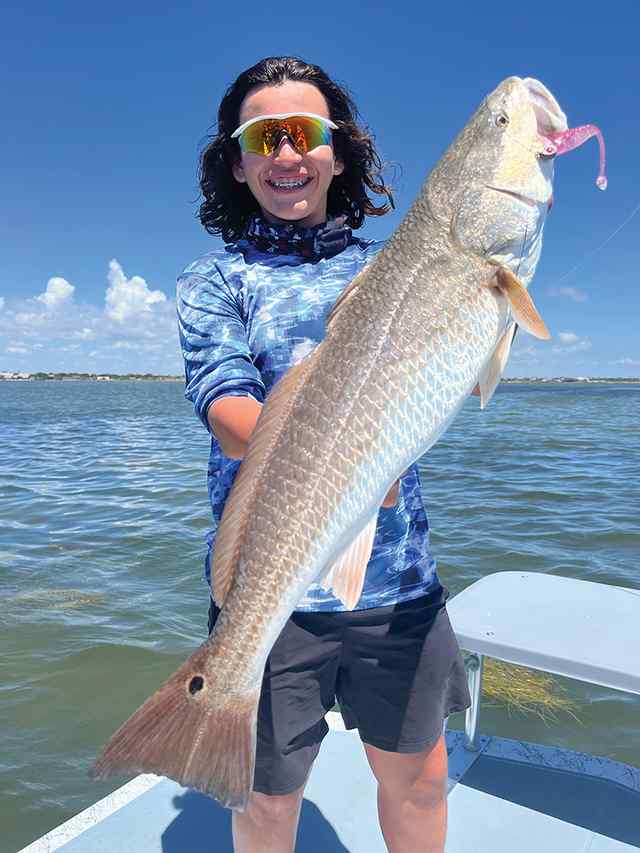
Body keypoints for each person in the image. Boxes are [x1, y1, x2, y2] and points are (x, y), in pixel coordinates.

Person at [176, 55, 472, 853]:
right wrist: (341, 452)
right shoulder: (216, 281)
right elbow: (228, 408)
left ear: (337, 153)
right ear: (236, 162)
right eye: (262, 136)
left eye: (303, 132)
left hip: (399, 583)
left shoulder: (392, 272)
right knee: (268, 804)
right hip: (274, 595)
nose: (285, 152)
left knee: (421, 778)